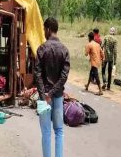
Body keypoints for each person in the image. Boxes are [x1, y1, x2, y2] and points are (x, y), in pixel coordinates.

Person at [35, 17, 70, 157]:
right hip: (58, 96)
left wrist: (45, 95)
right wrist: (53, 92)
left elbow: (37, 74)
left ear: (48, 29)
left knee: (46, 132)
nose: (44, 32)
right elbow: (64, 77)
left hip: (44, 98)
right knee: (59, 131)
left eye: (44, 29)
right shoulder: (64, 50)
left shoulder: (42, 49)